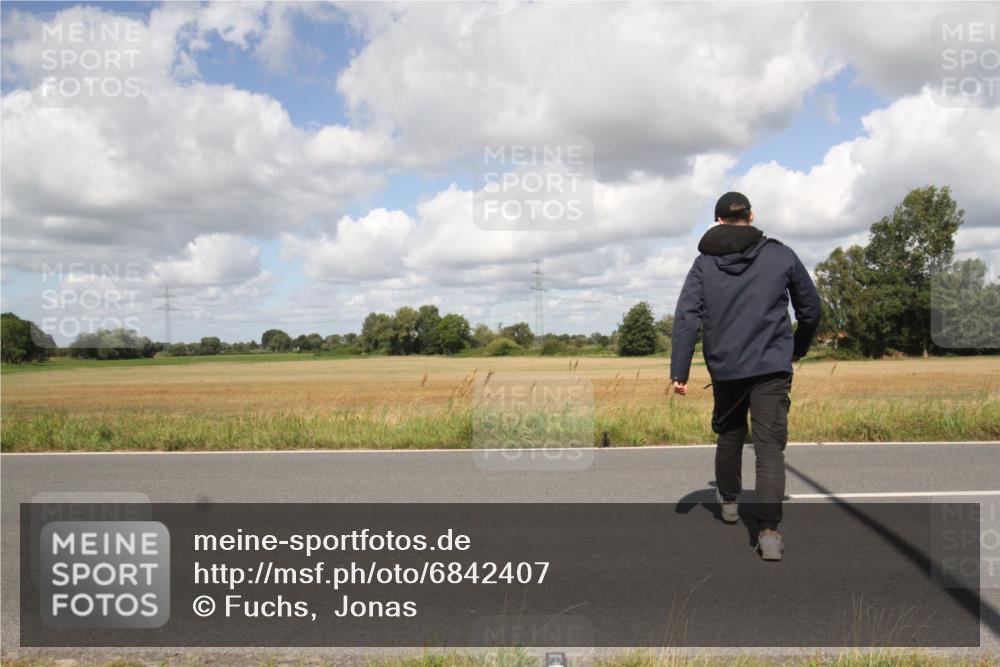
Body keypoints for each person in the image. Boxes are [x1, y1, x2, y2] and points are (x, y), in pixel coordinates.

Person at [670, 192, 820, 561]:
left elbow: (687, 317)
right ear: (751, 216)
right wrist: (796, 348)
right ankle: (769, 533)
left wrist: (680, 371)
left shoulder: (704, 264)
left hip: (726, 368)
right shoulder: (780, 254)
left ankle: (730, 504)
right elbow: (811, 309)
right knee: (769, 449)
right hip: (772, 367)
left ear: (718, 220)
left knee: (730, 434)